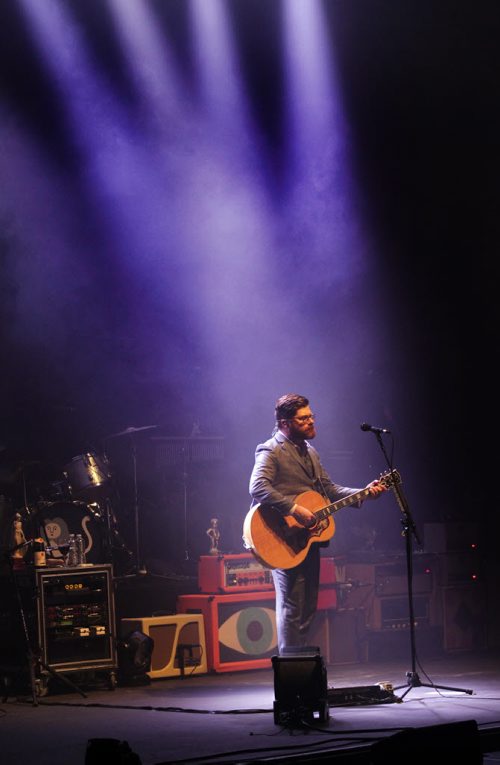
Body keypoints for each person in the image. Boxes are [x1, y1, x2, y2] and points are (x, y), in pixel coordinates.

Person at [248, 393, 386, 654]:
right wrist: (293, 509)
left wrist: (364, 492)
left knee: (307, 605)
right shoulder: (271, 450)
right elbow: (257, 486)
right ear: (285, 423)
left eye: (311, 416)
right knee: (291, 606)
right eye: (304, 419)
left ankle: (300, 669)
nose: (311, 422)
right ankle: (291, 674)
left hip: (307, 538)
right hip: (281, 536)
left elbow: (329, 490)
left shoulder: (310, 451)